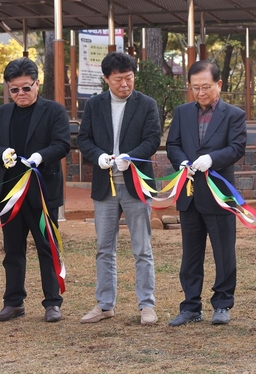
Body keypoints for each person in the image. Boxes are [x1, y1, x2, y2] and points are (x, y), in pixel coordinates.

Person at [77, 52, 161, 325]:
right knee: (104, 247)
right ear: (106, 79)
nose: (124, 84)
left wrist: (131, 157)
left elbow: (152, 139)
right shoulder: (94, 105)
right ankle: (104, 304)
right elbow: (84, 139)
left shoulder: (146, 104)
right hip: (105, 186)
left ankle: (147, 305)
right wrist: (98, 156)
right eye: (118, 80)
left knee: (142, 248)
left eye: (129, 78)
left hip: (136, 184)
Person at [166, 60, 247, 326]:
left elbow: (237, 148)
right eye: (195, 87)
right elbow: (173, 144)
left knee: (224, 252)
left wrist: (212, 159)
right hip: (189, 194)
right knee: (190, 253)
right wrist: (181, 161)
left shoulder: (233, 114)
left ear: (219, 84)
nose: (200, 93)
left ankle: (222, 303)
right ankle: (190, 306)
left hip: (219, 194)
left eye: (206, 87)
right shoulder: (182, 112)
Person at [0, 57, 70, 323]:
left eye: (26, 88)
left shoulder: (53, 111)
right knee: (12, 250)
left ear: (37, 84)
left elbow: (62, 143)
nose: (20, 94)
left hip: (42, 191)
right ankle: (13, 302)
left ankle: (52, 303)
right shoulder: (3, 113)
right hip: (10, 194)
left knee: (47, 247)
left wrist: (41, 156)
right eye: (14, 89)